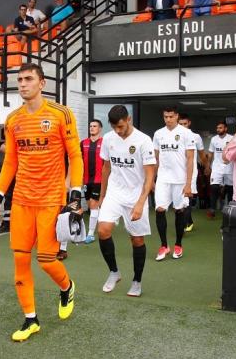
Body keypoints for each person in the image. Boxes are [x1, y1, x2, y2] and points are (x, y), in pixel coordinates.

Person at [0, 63, 82, 342]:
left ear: (42, 83)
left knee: (46, 261)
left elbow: (75, 156)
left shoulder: (60, 114)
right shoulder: (13, 119)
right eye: (19, 80)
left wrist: (75, 192)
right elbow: (11, 161)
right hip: (22, 201)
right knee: (19, 260)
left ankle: (66, 287)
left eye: (28, 79)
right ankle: (30, 319)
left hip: (52, 199)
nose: (22, 84)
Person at [98, 105, 156, 297]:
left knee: (137, 239)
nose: (118, 131)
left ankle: (137, 281)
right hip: (114, 192)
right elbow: (106, 168)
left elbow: (149, 175)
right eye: (114, 127)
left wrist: (141, 203)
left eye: (121, 126)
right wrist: (102, 195)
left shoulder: (143, 140)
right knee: (103, 230)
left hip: (135, 196)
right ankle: (114, 272)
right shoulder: (108, 138)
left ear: (128, 119)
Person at [153, 106, 195, 261]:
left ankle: (178, 244)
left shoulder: (186, 133)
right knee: (159, 209)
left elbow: (190, 159)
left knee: (179, 210)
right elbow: (155, 159)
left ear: (177, 116)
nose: (168, 119)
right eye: (165, 116)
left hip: (180, 180)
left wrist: (189, 183)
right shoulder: (158, 134)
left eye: (171, 116)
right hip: (163, 179)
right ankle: (164, 246)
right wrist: (151, 180)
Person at [178, 113, 208, 231]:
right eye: (180, 124)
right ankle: (187, 221)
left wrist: (207, 167)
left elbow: (201, 154)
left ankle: (186, 223)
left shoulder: (195, 137)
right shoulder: (173, 136)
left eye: (185, 124)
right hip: (177, 172)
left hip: (191, 171)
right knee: (179, 199)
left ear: (189, 123)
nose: (183, 126)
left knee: (187, 196)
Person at [81, 119, 104, 244]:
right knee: (91, 205)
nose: (92, 128)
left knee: (94, 205)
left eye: (94, 126)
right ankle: (101, 219)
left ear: (100, 129)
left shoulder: (104, 143)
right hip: (86, 180)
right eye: (90, 126)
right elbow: (78, 161)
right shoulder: (83, 143)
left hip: (98, 180)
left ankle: (90, 233)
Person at [207, 121, 233, 218]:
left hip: (230, 167)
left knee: (231, 189)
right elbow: (210, 153)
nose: (218, 129)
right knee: (214, 187)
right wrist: (207, 165)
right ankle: (212, 209)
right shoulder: (214, 139)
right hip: (217, 167)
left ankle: (231, 210)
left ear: (225, 128)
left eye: (220, 128)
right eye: (217, 128)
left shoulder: (231, 138)